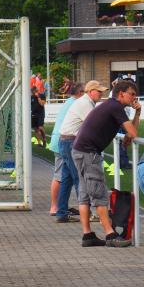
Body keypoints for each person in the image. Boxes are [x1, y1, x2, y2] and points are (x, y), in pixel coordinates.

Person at [72, 80, 141, 247]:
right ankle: (110, 235)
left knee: (85, 194)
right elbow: (132, 132)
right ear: (121, 93)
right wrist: (136, 114)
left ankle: (88, 235)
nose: (134, 97)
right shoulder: (115, 107)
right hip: (89, 153)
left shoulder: (111, 105)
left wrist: (137, 113)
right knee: (99, 194)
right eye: (132, 94)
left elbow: (130, 133)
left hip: (80, 150)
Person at [55, 80, 107, 223]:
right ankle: (88, 214)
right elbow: (94, 125)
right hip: (71, 142)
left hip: (66, 141)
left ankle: (61, 213)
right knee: (79, 178)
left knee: (67, 179)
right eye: (99, 91)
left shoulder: (86, 102)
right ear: (90, 91)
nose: (101, 94)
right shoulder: (86, 104)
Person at [48, 83, 84, 215]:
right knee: (59, 176)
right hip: (62, 141)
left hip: (59, 139)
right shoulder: (76, 103)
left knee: (65, 175)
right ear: (80, 93)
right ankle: (54, 207)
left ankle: (60, 207)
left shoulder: (70, 101)